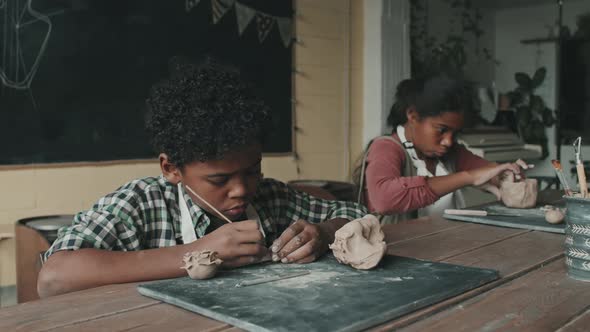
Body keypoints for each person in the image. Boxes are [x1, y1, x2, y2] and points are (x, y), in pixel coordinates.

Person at [37, 59, 368, 297]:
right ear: (171, 169)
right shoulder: (141, 204)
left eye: (252, 171)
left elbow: (357, 216)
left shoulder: (270, 199)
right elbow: (54, 276)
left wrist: (323, 233)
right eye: (219, 180)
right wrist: (197, 252)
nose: (241, 190)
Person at [353, 74, 529, 223]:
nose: (448, 141)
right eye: (442, 130)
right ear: (412, 115)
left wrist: (506, 175)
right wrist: (468, 177)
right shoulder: (385, 148)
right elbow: (384, 200)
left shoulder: (450, 153)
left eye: (455, 132)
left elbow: (488, 173)